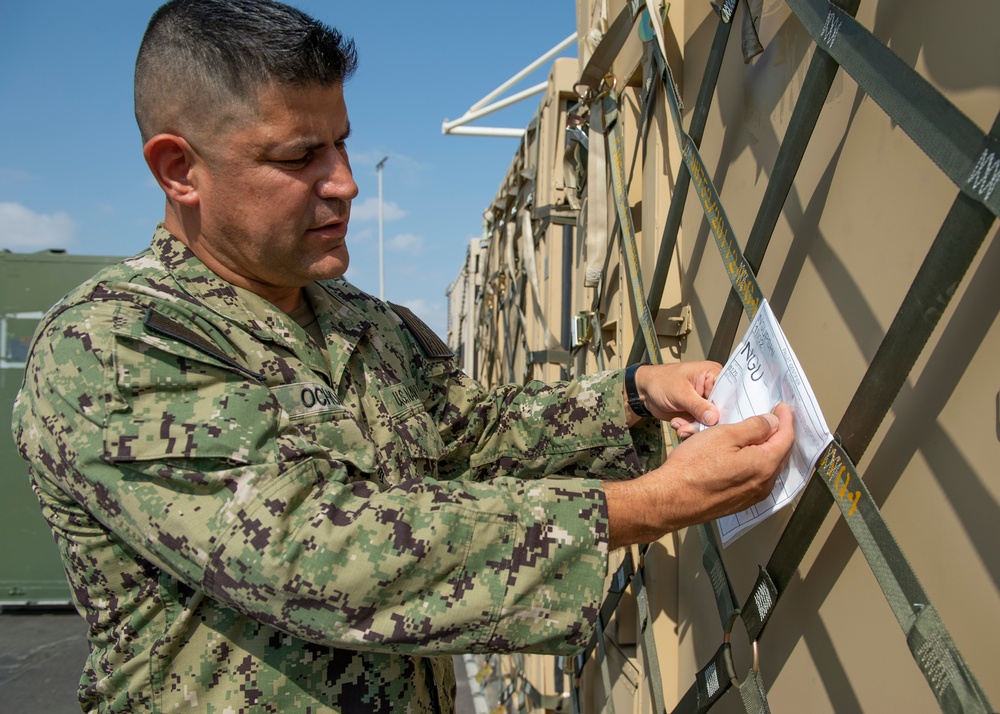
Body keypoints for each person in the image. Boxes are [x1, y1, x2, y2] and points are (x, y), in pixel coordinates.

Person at [11, 0, 794, 711]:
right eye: (298, 158)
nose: (345, 184)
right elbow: (320, 552)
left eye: (343, 145)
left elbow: (466, 431)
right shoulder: (114, 346)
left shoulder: (357, 319)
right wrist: (652, 504)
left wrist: (631, 393)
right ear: (179, 170)